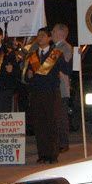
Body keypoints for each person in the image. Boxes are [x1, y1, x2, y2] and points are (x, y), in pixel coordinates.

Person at [24, 28, 67, 164]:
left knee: (52, 123)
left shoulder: (55, 54)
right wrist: (29, 76)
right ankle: (42, 154)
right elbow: (26, 76)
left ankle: (53, 154)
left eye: (43, 35)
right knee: (39, 124)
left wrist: (74, 58)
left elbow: (66, 69)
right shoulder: (32, 55)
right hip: (36, 93)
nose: (40, 38)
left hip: (51, 92)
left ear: (49, 38)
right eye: (38, 36)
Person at [51, 23, 74, 151]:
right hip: (54, 86)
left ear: (61, 34)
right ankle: (58, 141)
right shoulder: (54, 47)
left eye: (54, 32)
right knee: (56, 115)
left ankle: (63, 143)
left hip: (61, 87)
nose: (52, 34)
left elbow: (64, 67)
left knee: (61, 116)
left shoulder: (65, 47)